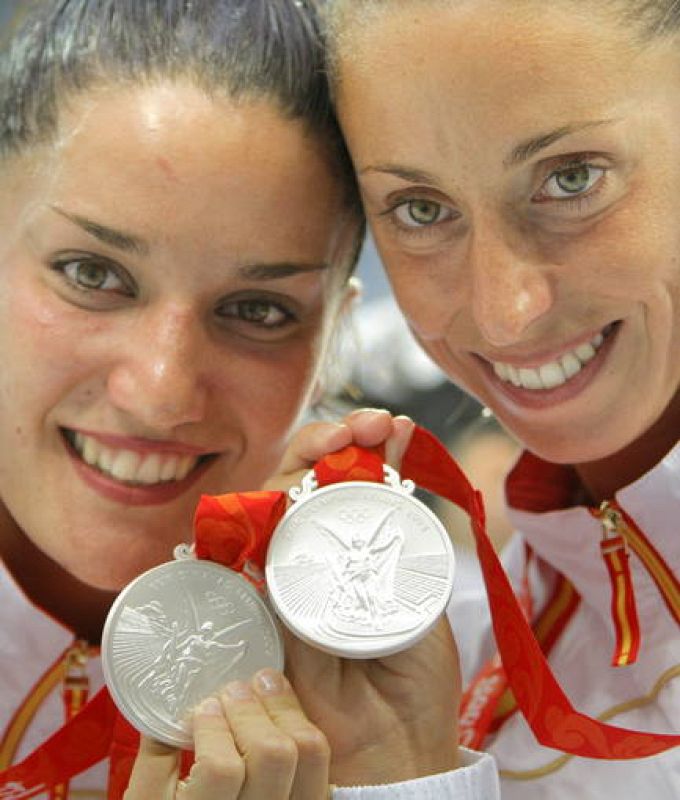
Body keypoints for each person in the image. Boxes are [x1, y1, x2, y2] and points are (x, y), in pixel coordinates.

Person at [286, 0, 677, 797]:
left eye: (572, 179)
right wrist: (394, 772)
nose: (505, 310)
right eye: (420, 210)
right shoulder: (470, 631)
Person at [0, 0, 388, 796]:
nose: (161, 394)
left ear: (331, 342)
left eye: (258, 311)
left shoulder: (425, 679)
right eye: (92, 273)